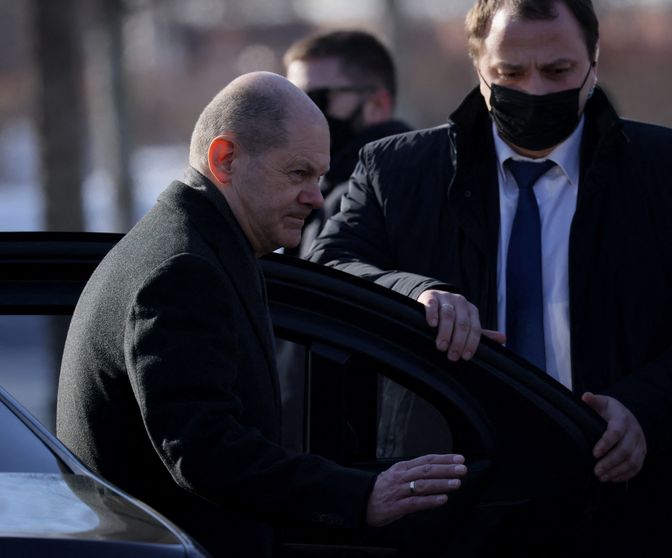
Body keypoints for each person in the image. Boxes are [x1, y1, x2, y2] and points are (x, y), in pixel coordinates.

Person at [308, 0, 672, 557]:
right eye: (510, 73)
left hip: (635, 500)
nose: (533, 90)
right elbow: (330, 271)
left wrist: (648, 408)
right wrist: (413, 292)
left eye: (557, 71)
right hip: (456, 503)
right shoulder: (397, 172)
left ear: (594, 64)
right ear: (480, 71)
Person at [56, 72, 467, 558]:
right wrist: (359, 495)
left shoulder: (194, 245)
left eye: (318, 176)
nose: (316, 196)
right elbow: (204, 451)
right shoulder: (183, 268)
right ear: (224, 159)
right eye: (298, 173)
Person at [283, 29, 412, 257]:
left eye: (315, 99)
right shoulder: (318, 187)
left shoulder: (391, 191)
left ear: (377, 105)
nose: (301, 114)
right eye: (291, 101)